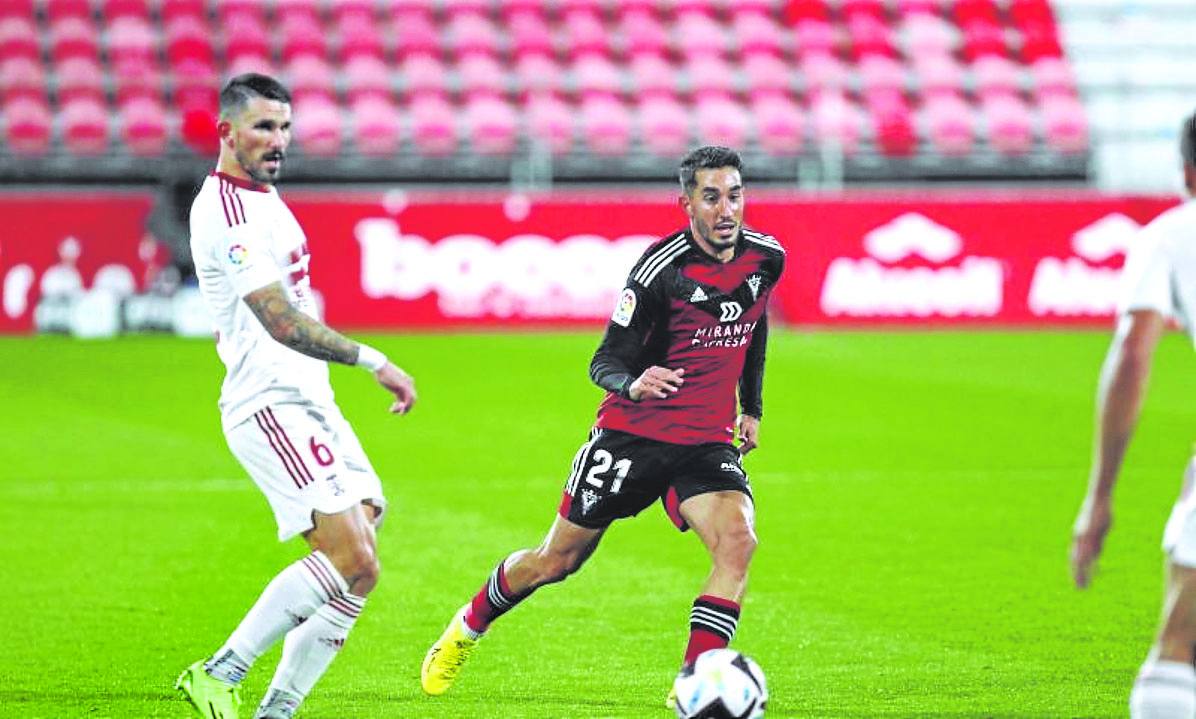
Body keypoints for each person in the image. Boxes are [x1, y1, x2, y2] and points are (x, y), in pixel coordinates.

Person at [420, 145, 785, 707]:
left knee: (738, 543)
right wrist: (634, 384)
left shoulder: (766, 258)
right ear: (686, 202)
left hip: (705, 442)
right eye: (710, 197)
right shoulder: (657, 273)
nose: (725, 209)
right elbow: (604, 361)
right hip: (632, 438)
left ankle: (692, 685)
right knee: (556, 562)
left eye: (734, 195)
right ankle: (465, 628)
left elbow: (755, 327)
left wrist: (751, 407)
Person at [174, 73, 417, 719]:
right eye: (262, 127)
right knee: (349, 553)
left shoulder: (265, 197)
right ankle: (218, 672)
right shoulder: (225, 211)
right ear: (227, 132)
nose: (277, 140)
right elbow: (280, 319)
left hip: (309, 397)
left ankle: (277, 709)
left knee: (363, 556)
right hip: (269, 399)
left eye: (283, 127)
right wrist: (375, 359)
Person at [1071, 111, 1196, 719]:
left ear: (1188, 171)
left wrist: (1100, 496)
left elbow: (1133, 350)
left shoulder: (1172, 234)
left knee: (1180, 645)